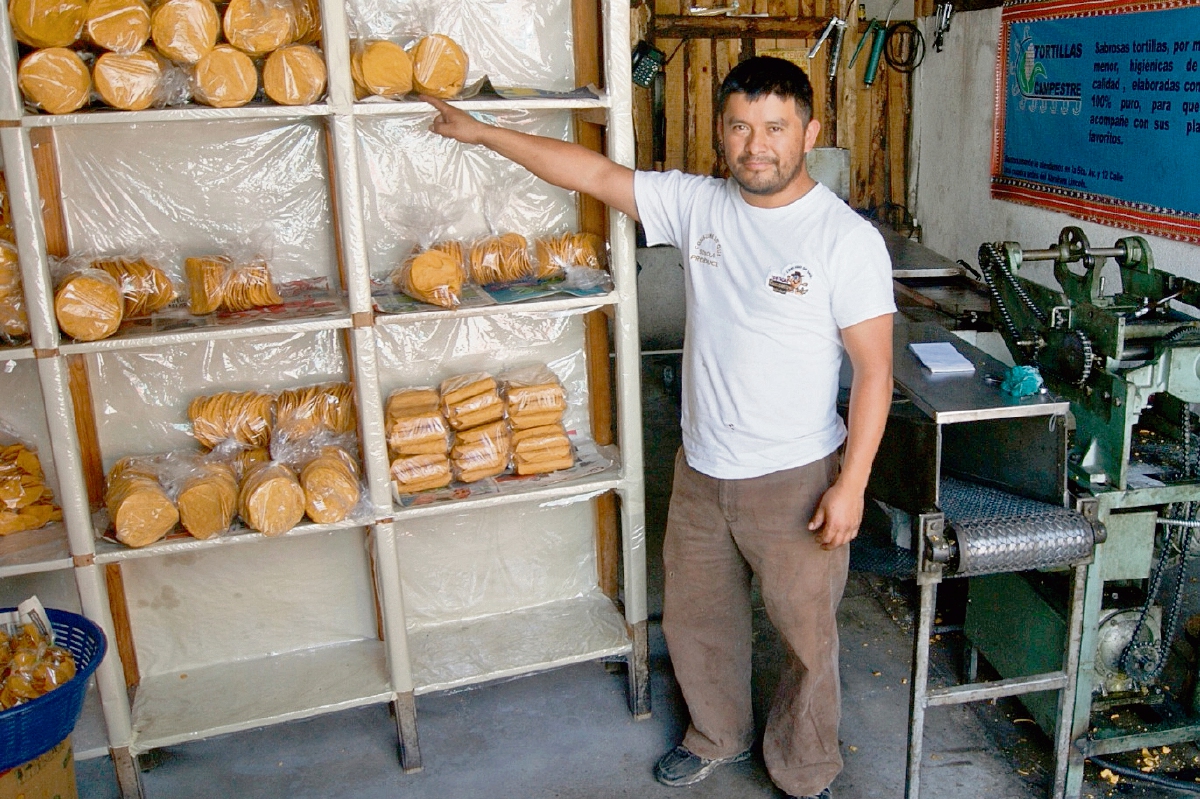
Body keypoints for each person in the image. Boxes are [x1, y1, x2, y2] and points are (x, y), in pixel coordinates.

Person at [425, 54, 895, 799]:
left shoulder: (844, 239)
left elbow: (874, 371)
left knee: (807, 637)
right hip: (703, 468)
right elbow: (590, 173)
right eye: (739, 127)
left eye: (774, 127)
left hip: (796, 474)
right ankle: (716, 733)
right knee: (700, 619)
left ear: (808, 133)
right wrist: (483, 132)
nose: (756, 145)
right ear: (720, 132)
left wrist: (853, 485)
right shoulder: (699, 205)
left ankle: (806, 767)